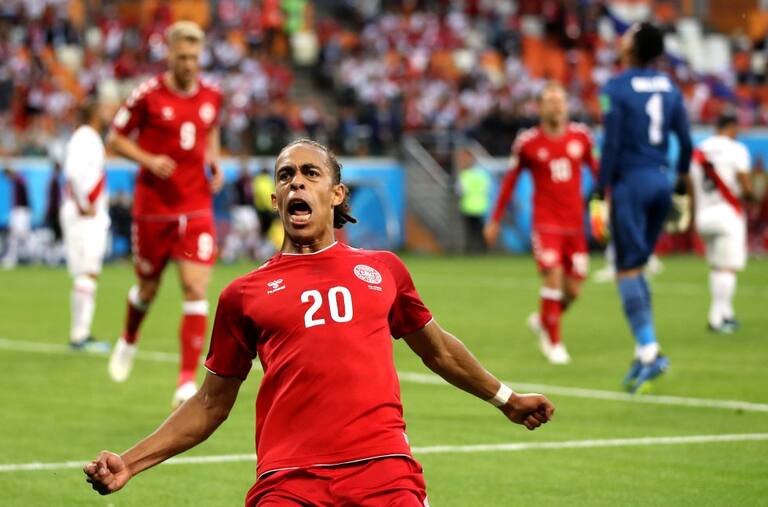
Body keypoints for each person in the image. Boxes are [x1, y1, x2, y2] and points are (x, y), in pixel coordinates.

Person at [84, 139, 555, 505]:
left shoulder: (384, 270)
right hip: (288, 483)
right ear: (275, 199)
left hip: (384, 473)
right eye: (286, 175)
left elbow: (439, 350)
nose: (297, 183)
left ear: (336, 194)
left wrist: (506, 399)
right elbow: (210, 403)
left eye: (311, 174)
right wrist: (130, 462)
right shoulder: (242, 295)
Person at [105, 21, 224, 407]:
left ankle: (186, 381)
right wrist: (148, 159)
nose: (189, 64)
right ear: (170, 55)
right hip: (154, 209)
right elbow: (115, 139)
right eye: (183, 56)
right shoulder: (148, 95)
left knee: (195, 287)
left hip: (196, 206)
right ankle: (129, 338)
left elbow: (211, 129)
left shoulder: (212, 95)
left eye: (195, 57)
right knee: (148, 289)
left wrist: (214, 160)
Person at [598, 22, 693, 393]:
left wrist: (599, 190)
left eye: (628, 34)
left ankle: (651, 351)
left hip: (631, 185)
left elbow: (611, 145)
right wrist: (680, 182)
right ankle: (643, 352)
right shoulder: (670, 86)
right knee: (637, 266)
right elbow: (685, 141)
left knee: (626, 268)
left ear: (633, 47)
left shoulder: (615, 88)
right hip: (660, 181)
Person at [484, 82, 597, 365]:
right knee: (553, 278)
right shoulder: (528, 142)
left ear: (567, 105)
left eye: (560, 100)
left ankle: (544, 319)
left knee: (574, 291)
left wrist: (610, 201)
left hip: (575, 225)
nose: (556, 105)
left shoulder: (582, 137)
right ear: (540, 107)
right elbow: (509, 182)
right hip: (546, 224)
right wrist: (495, 219)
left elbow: (598, 172)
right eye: (550, 101)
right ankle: (554, 342)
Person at [690, 112, 754, 333]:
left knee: (718, 267)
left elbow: (690, 184)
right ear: (732, 127)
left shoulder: (700, 150)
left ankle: (726, 314)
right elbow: (745, 183)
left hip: (703, 215)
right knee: (728, 268)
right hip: (727, 214)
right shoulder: (736, 149)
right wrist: (751, 196)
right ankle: (716, 318)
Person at [61, 99, 112, 352]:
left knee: (86, 273)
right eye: (103, 109)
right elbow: (72, 172)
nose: (107, 113)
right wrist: (84, 202)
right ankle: (80, 336)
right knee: (87, 272)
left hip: (84, 212)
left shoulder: (86, 137)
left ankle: (80, 333)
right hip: (84, 214)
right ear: (94, 114)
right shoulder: (86, 137)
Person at [456, 147, 492, 253]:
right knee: (480, 231)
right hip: (481, 206)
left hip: (468, 206)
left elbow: (460, 190)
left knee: (470, 232)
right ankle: (483, 250)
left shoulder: (464, 174)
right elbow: (488, 188)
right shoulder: (483, 173)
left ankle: (470, 251)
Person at [1, 167, 31, 269]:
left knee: (20, 236)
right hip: (19, 211)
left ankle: (21, 257)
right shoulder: (19, 181)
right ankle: (13, 258)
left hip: (21, 211)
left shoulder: (19, 181)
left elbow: (23, 199)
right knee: (15, 237)